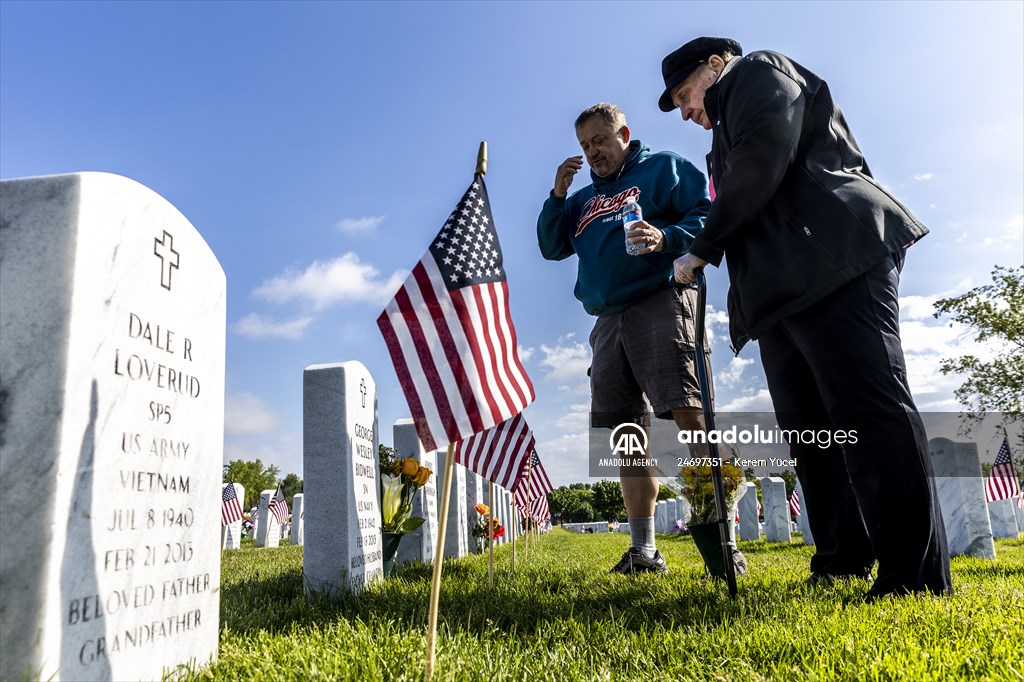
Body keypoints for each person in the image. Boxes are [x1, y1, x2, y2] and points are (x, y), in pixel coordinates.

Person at [658, 37, 952, 600]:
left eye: (685, 93)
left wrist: (702, 246)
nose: (687, 110)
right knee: (812, 434)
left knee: (868, 413)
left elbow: (765, 155)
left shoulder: (757, 73)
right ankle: (842, 558)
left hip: (834, 263)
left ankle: (912, 576)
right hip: (780, 295)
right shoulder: (721, 137)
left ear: (715, 66)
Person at [538, 103, 746, 576]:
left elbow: (709, 211)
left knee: (688, 412)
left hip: (661, 299)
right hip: (607, 318)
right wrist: (557, 194)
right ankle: (644, 550)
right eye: (584, 146)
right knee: (624, 435)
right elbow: (551, 247)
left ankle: (724, 537)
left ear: (624, 133)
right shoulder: (582, 201)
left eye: (600, 140)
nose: (593, 152)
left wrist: (667, 236)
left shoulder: (662, 167)